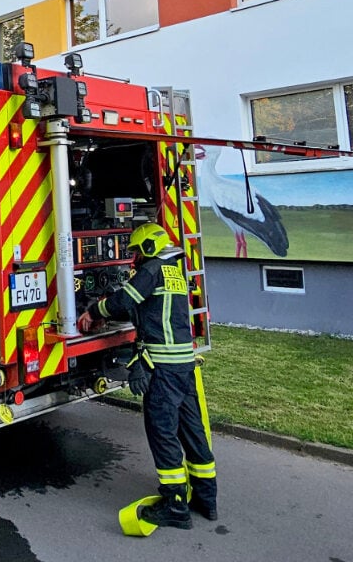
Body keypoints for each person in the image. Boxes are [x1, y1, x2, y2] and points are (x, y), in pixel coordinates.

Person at [78, 222, 217, 530]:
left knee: (163, 432)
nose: (134, 259)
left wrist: (94, 311)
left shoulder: (152, 270)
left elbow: (125, 299)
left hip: (164, 370)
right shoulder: (174, 271)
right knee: (193, 432)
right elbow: (149, 307)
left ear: (150, 249)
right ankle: (207, 500)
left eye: (137, 252)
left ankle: (175, 506)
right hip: (184, 367)